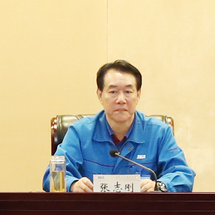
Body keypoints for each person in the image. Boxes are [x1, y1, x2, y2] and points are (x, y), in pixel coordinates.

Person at [44, 59, 194, 192]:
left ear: (138, 95)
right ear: (100, 95)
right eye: (113, 92)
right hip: (93, 213)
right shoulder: (80, 132)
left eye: (128, 91)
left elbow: (183, 175)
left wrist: (159, 186)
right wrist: (73, 185)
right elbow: (51, 176)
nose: (121, 100)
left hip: (142, 213)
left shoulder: (159, 133)